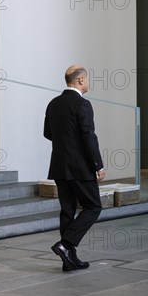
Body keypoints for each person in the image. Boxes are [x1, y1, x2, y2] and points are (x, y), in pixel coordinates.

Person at [43, 65, 106, 271]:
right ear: (80, 80)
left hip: (60, 166)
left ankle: (69, 259)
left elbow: (48, 133)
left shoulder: (53, 104)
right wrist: (98, 165)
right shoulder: (83, 104)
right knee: (93, 206)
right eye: (87, 79)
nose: (88, 82)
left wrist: (66, 142)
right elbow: (89, 136)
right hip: (80, 168)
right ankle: (66, 244)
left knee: (67, 210)